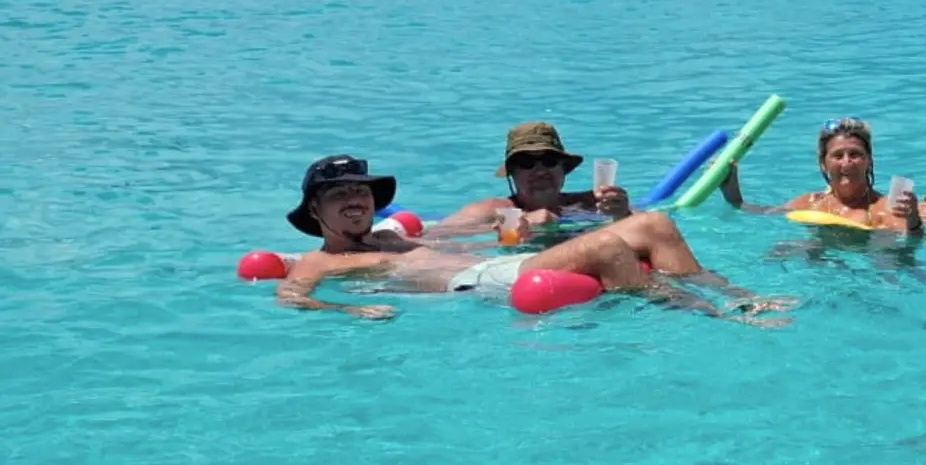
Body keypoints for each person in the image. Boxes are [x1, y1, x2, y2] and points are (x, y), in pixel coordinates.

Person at [275, 155, 790, 324]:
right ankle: (721, 319)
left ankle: (740, 296)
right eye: (339, 194)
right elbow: (291, 295)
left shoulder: (388, 239)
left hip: (496, 265)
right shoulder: (320, 262)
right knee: (609, 247)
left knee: (654, 224)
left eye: (360, 192)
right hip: (476, 286)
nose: (355, 200)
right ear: (314, 211)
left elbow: (456, 233)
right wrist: (349, 313)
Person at [719, 117, 926, 234]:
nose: (846, 162)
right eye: (837, 155)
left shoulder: (884, 208)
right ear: (823, 164)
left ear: (869, 161)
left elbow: (908, 248)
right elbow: (761, 212)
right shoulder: (810, 202)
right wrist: (733, 196)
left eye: (855, 154)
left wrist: (913, 219)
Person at [435, 122, 629, 237]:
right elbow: (436, 237)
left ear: (563, 168)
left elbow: (648, 225)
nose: (540, 170)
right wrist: (511, 226)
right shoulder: (492, 210)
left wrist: (623, 213)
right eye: (527, 162)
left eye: (549, 160)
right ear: (512, 173)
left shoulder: (590, 203)